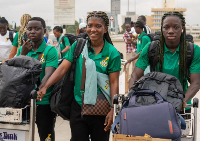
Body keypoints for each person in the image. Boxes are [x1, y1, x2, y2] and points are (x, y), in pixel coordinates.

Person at [37, 11, 121, 141]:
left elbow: (114, 82)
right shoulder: (78, 46)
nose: (93, 29)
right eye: (90, 25)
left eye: (98, 26)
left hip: (102, 108)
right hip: (78, 105)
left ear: (105, 29)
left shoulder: (112, 53)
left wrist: (112, 109)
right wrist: (45, 86)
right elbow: (62, 68)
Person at [130, 11, 200, 114]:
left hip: (181, 106)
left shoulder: (193, 50)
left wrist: (183, 101)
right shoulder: (151, 48)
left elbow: (196, 82)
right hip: (154, 104)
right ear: (162, 29)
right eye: (166, 27)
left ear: (182, 29)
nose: (171, 31)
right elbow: (135, 75)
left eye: (176, 27)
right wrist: (133, 96)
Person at [16, 17, 58, 141]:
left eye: (37, 29)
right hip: (23, 102)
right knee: (22, 135)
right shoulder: (22, 49)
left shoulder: (50, 50)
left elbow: (49, 74)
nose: (32, 31)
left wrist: (38, 91)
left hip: (43, 102)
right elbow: (16, 74)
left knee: (46, 135)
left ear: (44, 31)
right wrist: (22, 54)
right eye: (29, 29)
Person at [126, 21, 151, 88]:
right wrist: (131, 41)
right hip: (140, 60)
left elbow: (142, 52)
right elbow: (138, 45)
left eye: (135, 28)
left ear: (139, 28)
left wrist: (132, 59)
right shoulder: (140, 37)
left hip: (145, 62)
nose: (134, 30)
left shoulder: (145, 38)